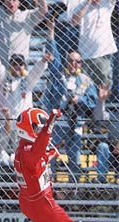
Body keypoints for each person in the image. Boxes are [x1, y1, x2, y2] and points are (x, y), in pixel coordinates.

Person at [13, 107, 95, 222]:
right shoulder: (29, 151)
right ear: (27, 128)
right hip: (41, 202)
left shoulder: (24, 149)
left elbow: (38, 159)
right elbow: (37, 152)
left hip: (28, 202)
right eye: (36, 128)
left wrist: (50, 153)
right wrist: (49, 123)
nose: (38, 132)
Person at [42, 19, 97, 181]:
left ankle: (75, 189)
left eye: (77, 61)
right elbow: (53, 59)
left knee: (74, 157)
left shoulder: (86, 80)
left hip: (76, 122)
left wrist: (79, 100)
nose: (73, 63)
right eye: (71, 60)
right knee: (49, 154)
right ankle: (49, 185)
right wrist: (50, 34)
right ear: (67, 62)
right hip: (58, 122)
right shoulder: (60, 76)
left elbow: (91, 103)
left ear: (81, 63)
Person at [0, 41, 53, 152]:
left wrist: (43, 61)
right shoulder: (3, 78)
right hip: (3, 123)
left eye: (20, 64)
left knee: (21, 153)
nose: (17, 66)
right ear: (10, 66)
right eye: (14, 64)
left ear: (24, 66)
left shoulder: (27, 81)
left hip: (22, 125)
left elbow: (35, 73)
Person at [67, 0, 118, 122]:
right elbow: (74, 21)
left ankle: (99, 119)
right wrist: (88, 2)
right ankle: (81, 119)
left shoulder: (106, 3)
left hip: (104, 52)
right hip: (84, 55)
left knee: (104, 90)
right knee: (81, 89)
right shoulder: (77, 2)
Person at [0, 0, 48, 67]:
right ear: (3, 3)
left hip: (20, 64)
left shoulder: (28, 15)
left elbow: (44, 11)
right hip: (0, 63)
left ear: (19, 2)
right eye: (8, 0)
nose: (11, 3)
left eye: (14, 0)